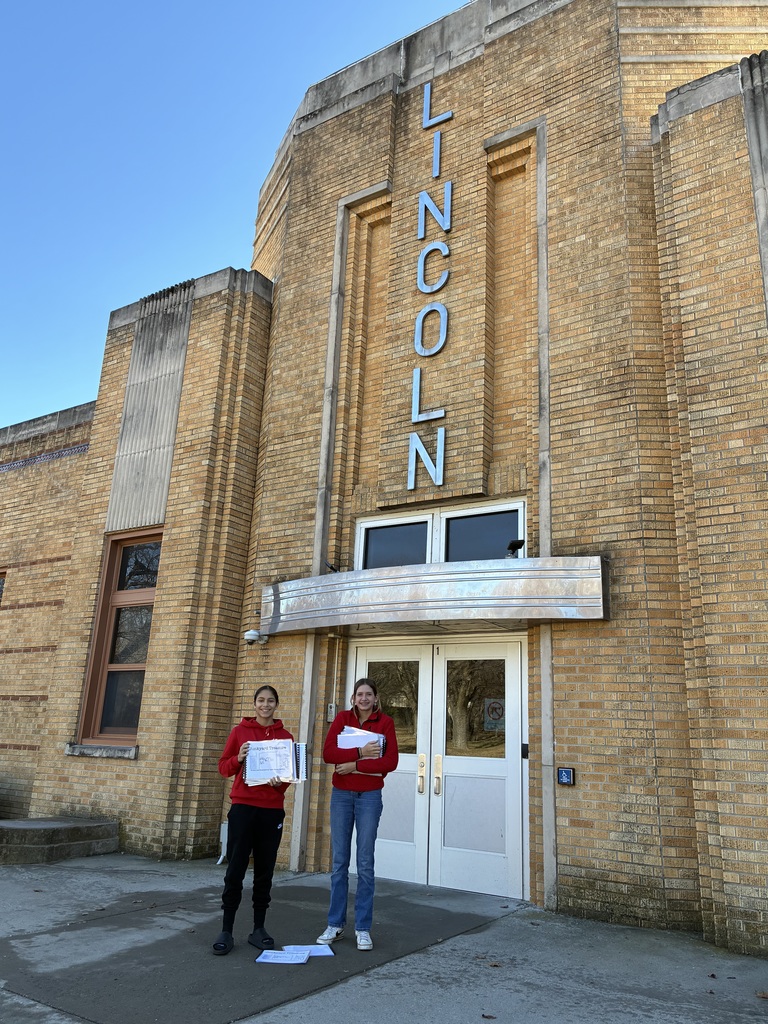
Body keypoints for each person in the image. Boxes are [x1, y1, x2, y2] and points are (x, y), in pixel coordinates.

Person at [316, 677, 399, 951]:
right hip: (342, 796)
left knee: (365, 863)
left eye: (368, 694)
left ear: (376, 699)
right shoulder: (342, 719)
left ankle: (363, 928)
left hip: (369, 797)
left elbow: (390, 762)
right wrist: (362, 752)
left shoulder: (385, 723)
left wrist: (354, 765)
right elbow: (329, 754)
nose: (364, 698)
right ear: (353, 698)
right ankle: (335, 924)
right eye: (359, 694)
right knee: (340, 862)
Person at [212, 685, 293, 955]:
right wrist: (239, 758)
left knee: (264, 870)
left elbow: (288, 777)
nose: (265, 705)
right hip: (243, 808)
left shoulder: (285, 738)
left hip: (271, 810)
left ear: (276, 704)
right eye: (261, 700)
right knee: (235, 868)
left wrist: (279, 783)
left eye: (270, 701)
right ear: (254, 703)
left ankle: (259, 928)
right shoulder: (240, 732)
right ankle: (226, 929)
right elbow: (223, 767)